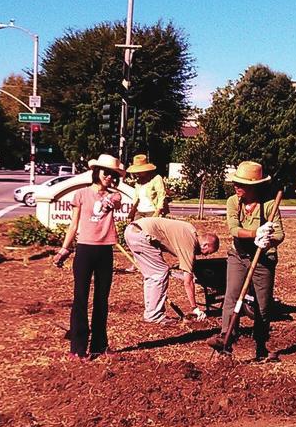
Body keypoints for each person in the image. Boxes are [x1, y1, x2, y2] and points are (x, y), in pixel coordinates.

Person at [208, 161, 285, 361]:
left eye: (241, 184)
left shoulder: (269, 204)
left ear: (254, 186)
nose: (236, 186)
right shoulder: (233, 201)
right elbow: (233, 229)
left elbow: (280, 234)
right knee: (231, 297)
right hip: (239, 255)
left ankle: (261, 346)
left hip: (263, 260)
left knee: (262, 305)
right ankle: (226, 340)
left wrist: (268, 239)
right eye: (236, 183)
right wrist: (254, 233)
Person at [52, 154, 124, 360]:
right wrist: (65, 249)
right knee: (80, 298)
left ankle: (100, 345)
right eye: (106, 172)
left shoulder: (114, 196)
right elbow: (73, 225)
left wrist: (109, 195)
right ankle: (77, 348)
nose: (109, 177)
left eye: (113, 174)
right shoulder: (81, 195)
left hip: (105, 250)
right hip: (84, 249)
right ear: (96, 172)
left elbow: (115, 202)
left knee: (102, 299)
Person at [124, 217, 220, 325]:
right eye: (207, 252)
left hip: (132, 231)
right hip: (141, 235)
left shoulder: (190, 230)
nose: (205, 255)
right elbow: (188, 282)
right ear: (205, 245)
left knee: (152, 275)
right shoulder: (189, 244)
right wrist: (195, 308)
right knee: (160, 272)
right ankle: (154, 315)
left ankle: (151, 313)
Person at [126, 154, 167, 220]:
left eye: (139, 171)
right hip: (139, 211)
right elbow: (137, 198)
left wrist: (158, 212)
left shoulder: (156, 178)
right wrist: (132, 211)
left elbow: (161, 195)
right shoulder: (138, 181)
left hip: (152, 211)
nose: (137, 173)